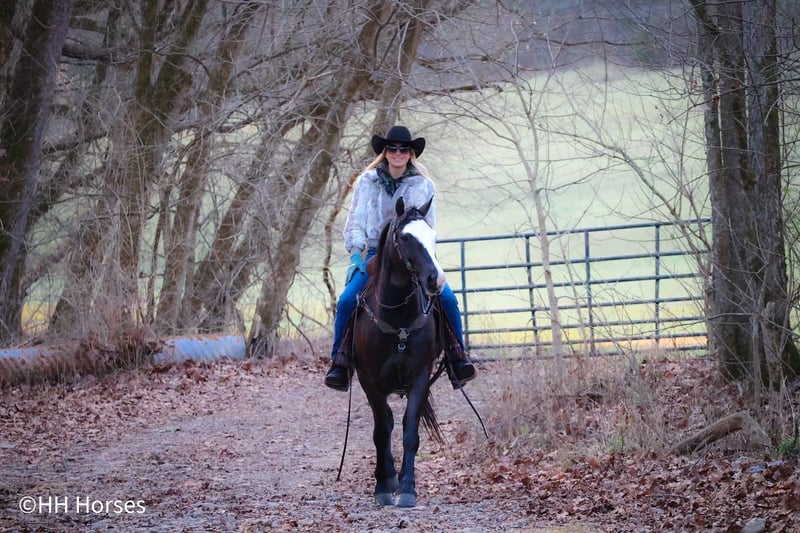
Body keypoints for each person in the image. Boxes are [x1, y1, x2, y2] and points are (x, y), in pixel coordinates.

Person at [324, 125, 476, 391]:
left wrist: (426, 257)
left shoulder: (423, 185)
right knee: (348, 300)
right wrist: (356, 254)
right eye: (392, 148)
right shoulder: (367, 182)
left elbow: (428, 227)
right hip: (376, 253)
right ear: (384, 152)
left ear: (410, 153)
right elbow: (355, 220)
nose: (397, 153)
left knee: (447, 299)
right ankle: (340, 362)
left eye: (403, 149)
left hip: (413, 254)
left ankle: (457, 358)